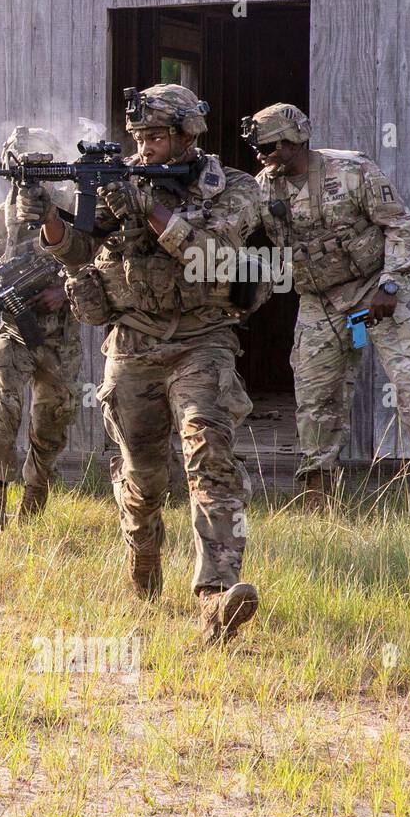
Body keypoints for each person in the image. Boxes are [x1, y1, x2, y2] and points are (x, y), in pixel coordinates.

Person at [26, 85, 264, 645]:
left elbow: (209, 250)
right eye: (138, 138)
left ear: (187, 136)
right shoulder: (121, 183)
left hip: (203, 341)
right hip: (131, 344)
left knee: (210, 456)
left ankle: (215, 596)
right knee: (141, 473)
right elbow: (79, 253)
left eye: (156, 137)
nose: (145, 148)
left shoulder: (231, 187)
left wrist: (150, 208)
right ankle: (143, 556)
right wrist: (49, 217)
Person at [246, 102, 410, 506]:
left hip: (376, 288)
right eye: (261, 149)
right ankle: (319, 486)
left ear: (296, 139)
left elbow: (400, 226)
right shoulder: (265, 186)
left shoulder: (351, 170)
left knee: (408, 375)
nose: (266, 155)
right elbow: (236, 228)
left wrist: (390, 285)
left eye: (272, 146)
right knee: (315, 390)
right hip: (321, 300)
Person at [0, 127, 81, 533]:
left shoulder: (72, 207)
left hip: (59, 335)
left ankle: (36, 490)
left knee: (50, 421)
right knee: (0, 409)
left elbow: (97, 263)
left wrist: (64, 290)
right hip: (13, 333)